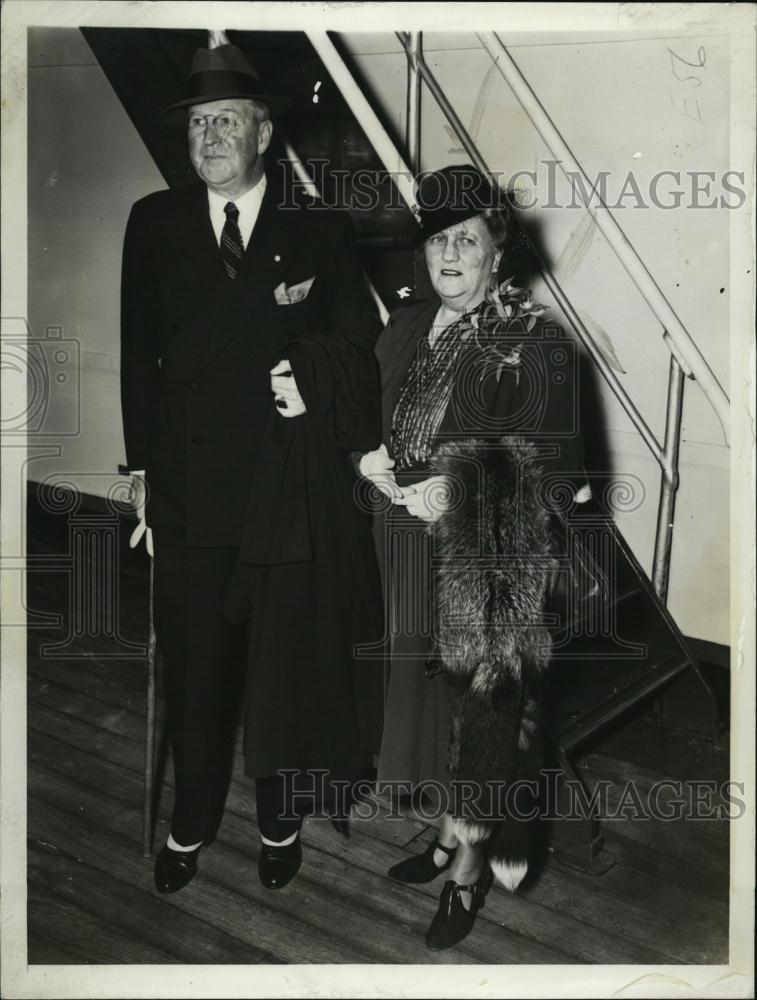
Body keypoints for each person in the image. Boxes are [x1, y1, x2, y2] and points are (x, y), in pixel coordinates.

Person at [120, 41, 383, 895]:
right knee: (198, 672)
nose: (211, 137)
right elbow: (138, 361)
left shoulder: (318, 228)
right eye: (199, 123)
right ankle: (192, 819)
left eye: (227, 121)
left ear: (264, 133)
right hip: (189, 496)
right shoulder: (153, 222)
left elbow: (356, 343)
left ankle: (280, 820)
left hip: (283, 496)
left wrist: (310, 376)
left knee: (283, 672)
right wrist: (144, 478)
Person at [357, 165, 588, 950]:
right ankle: (447, 833)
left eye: (466, 240)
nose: (449, 254)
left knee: (487, 710)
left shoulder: (533, 339)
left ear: (497, 253)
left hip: (487, 554)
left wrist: (458, 489)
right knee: (436, 703)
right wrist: (368, 459)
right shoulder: (404, 325)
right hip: (400, 539)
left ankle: (469, 868)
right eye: (437, 241)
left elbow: (559, 469)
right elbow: (368, 417)